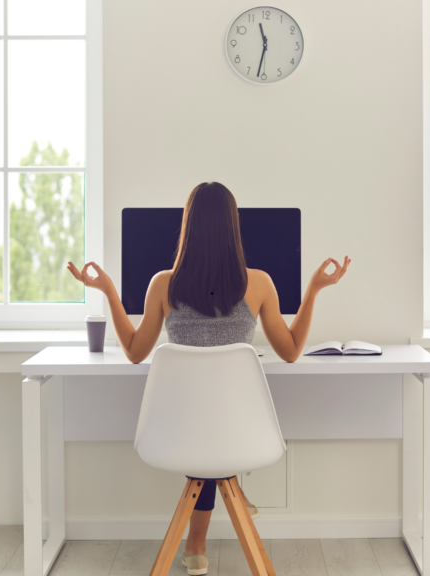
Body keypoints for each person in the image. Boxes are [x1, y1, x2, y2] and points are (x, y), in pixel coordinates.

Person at [67, 181, 350, 576]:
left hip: (180, 429)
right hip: (238, 430)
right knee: (216, 436)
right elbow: (290, 351)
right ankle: (221, 501)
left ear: (188, 226)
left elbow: (133, 353)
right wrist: (314, 291)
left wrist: (110, 292)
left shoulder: (162, 284)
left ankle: (196, 547)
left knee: (204, 432)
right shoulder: (260, 283)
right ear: (234, 227)